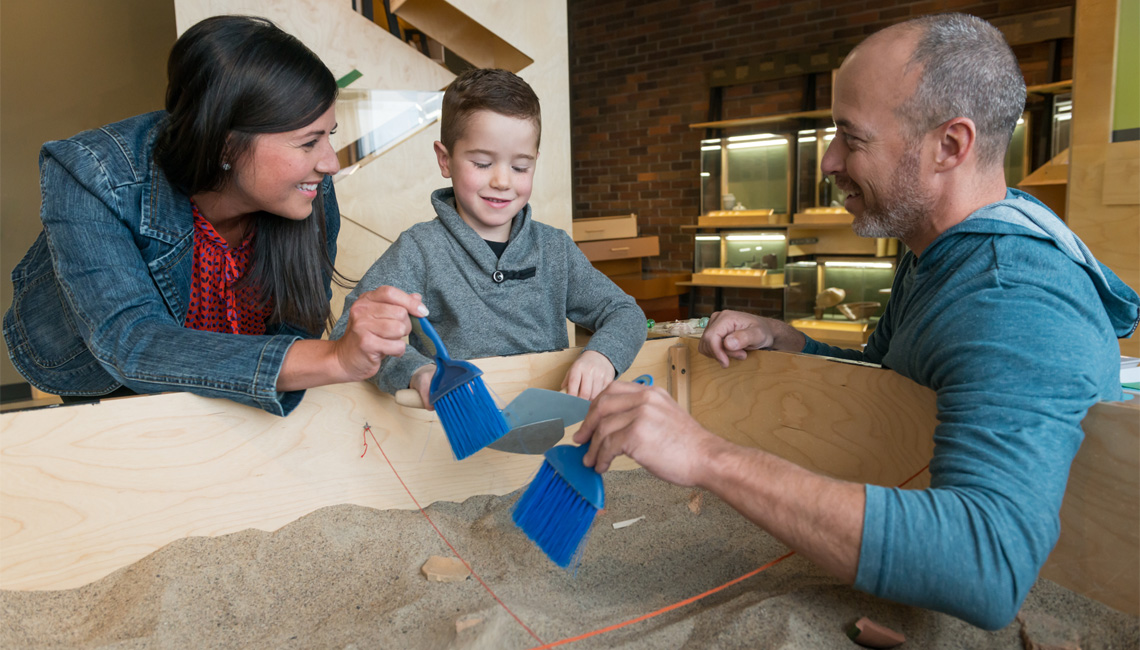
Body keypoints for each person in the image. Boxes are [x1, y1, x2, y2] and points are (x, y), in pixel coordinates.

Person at [575, 13, 1139, 630]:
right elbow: (895, 384)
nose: (828, 159)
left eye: (853, 137)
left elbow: (987, 564)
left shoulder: (1012, 295)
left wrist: (707, 455)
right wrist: (797, 343)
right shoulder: (939, 248)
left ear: (950, 145)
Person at [3, 16, 427, 416]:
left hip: (243, 387)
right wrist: (335, 356)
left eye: (328, 137)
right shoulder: (91, 174)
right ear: (225, 145)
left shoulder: (310, 188)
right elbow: (132, 344)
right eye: (308, 142)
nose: (330, 163)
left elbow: (293, 330)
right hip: (108, 381)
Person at [332, 69, 646, 406]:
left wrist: (601, 356)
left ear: (535, 163)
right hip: (447, 443)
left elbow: (625, 312)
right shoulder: (420, 250)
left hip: (544, 437)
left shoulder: (554, 249)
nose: (502, 181)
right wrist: (417, 371)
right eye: (482, 163)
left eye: (520, 167)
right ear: (445, 159)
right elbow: (349, 334)